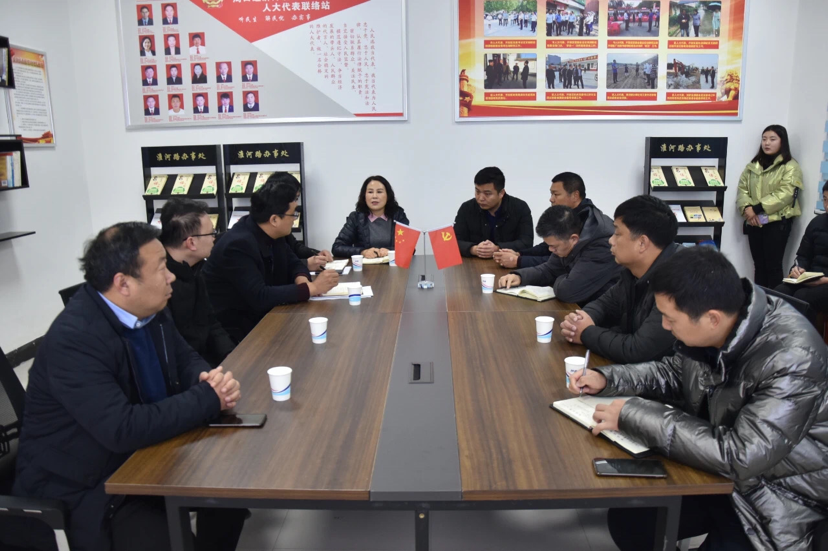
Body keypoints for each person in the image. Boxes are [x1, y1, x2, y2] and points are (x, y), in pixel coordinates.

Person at [571, 247, 828, 551]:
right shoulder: (719, 325)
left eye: (670, 318)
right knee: (631, 523)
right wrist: (609, 378)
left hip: (775, 498)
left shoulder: (793, 359)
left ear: (712, 319)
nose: (665, 327)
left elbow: (741, 455)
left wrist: (633, 414)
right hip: (721, 474)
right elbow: (673, 372)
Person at [12, 222, 246, 551]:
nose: (171, 276)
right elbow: (121, 428)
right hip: (90, 489)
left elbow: (185, 358)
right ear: (123, 283)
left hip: (145, 456)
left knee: (231, 493)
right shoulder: (75, 340)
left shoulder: (149, 309)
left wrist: (206, 378)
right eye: (161, 268)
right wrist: (208, 398)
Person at [203, 175, 338, 341]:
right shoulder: (238, 245)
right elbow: (260, 296)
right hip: (237, 331)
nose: (294, 219)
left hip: (267, 317)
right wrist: (312, 288)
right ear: (274, 219)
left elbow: (294, 263)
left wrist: (302, 281)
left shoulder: (272, 233)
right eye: (293, 215)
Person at [560, 195, 679, 363]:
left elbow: (638, 350)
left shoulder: (679, 281)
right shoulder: (632, 271)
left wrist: (585, 333)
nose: (611, 240)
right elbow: (605, 303)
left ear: (642, 243)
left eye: (617, 233)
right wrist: (582, 318)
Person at [160, 199, 236, 367]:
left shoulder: (195, 268)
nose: (214, 238)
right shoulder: (160, 283)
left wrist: (231, 356)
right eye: (211, 233)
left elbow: (211, 321)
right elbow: (175, 348)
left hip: (204, 363)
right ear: (191, 242)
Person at [500, 204, 620, 306]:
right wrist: (520, 276)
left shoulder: (601, 246)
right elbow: (550, 269)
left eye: (554, 246)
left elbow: (568, 292)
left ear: (574, 239)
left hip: (606, 315)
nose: (550, 250)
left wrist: (563, 276)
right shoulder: (570, 232)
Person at [737, 124, 803, 289]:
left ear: (782, 142)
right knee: (759, 266)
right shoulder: (753, 165)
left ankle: (775, 303)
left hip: (777, 223)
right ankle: (760, 301)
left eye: (772, 139)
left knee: (773, 267)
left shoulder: (790, 166)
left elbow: (786, 193)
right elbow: (742, 189)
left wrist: (757, 209)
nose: (767, 143)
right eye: (764, 139)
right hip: (754, 222)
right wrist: (747, 209)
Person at [496, 172, 599, 269]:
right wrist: (519, 254)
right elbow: (547, 247)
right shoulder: (567, 215)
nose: (551, 199)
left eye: (556, 194)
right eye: (551, 194)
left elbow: (562, 262)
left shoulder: (590, 224)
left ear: (575, 195)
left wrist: (518, 261)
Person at [454, 167, 533, 259]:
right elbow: (454, 241)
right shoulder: (467, 208)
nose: (480, 198)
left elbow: (526, 242)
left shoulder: (520, 208)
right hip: (472, 262)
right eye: (477, 191)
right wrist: (474, 249)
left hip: (508, 262)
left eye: (487, 194)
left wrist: (497, 248)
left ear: (501, 193)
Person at [775, 186, 828, 315]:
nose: (827, 206)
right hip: (811, 279)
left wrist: (824, 280)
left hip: (824, 282)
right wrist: (798, 268)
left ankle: (803, 330)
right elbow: (803, 256)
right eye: (825, 199)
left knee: (802, 298)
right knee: (780, 293)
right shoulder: (816, 223)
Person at [332, 175, 409, 259]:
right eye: (370, 192)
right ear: (364, 196)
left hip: (393, 265)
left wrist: (390, 251)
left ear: (388, 195)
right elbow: (337, 247)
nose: (374, 196)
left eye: (379, 192)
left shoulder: (398, 216)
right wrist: (363, 252)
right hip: (365, 266)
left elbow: (409, 248)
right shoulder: (356, 218)